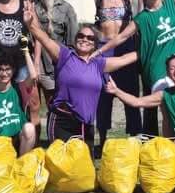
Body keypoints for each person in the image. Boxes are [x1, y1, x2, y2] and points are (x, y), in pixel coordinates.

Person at [26, 12, 138, 156]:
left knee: (85, 171)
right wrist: (30, 24)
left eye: (90, 38)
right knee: (62, 166)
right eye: (81, 36)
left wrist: (150, 48)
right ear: (76, 39)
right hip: (62, 120)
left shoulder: (98, 64)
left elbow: (125, 59)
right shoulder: (65, 56)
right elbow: (44, 39)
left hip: (86, 125)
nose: (85, 39)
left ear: (95, 44)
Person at [80, 0, 145, 136]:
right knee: (104, 96)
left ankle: (135, 135)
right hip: (104, 49)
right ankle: (103, 139)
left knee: (130, 92)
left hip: (125, 48)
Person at [31, 0, 79, 127]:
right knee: (32, 106)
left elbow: (73, 42)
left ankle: (56, 139)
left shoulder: (67, 9)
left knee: (55, 105)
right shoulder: (34, 8)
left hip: (57, 67)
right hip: (35, 65)